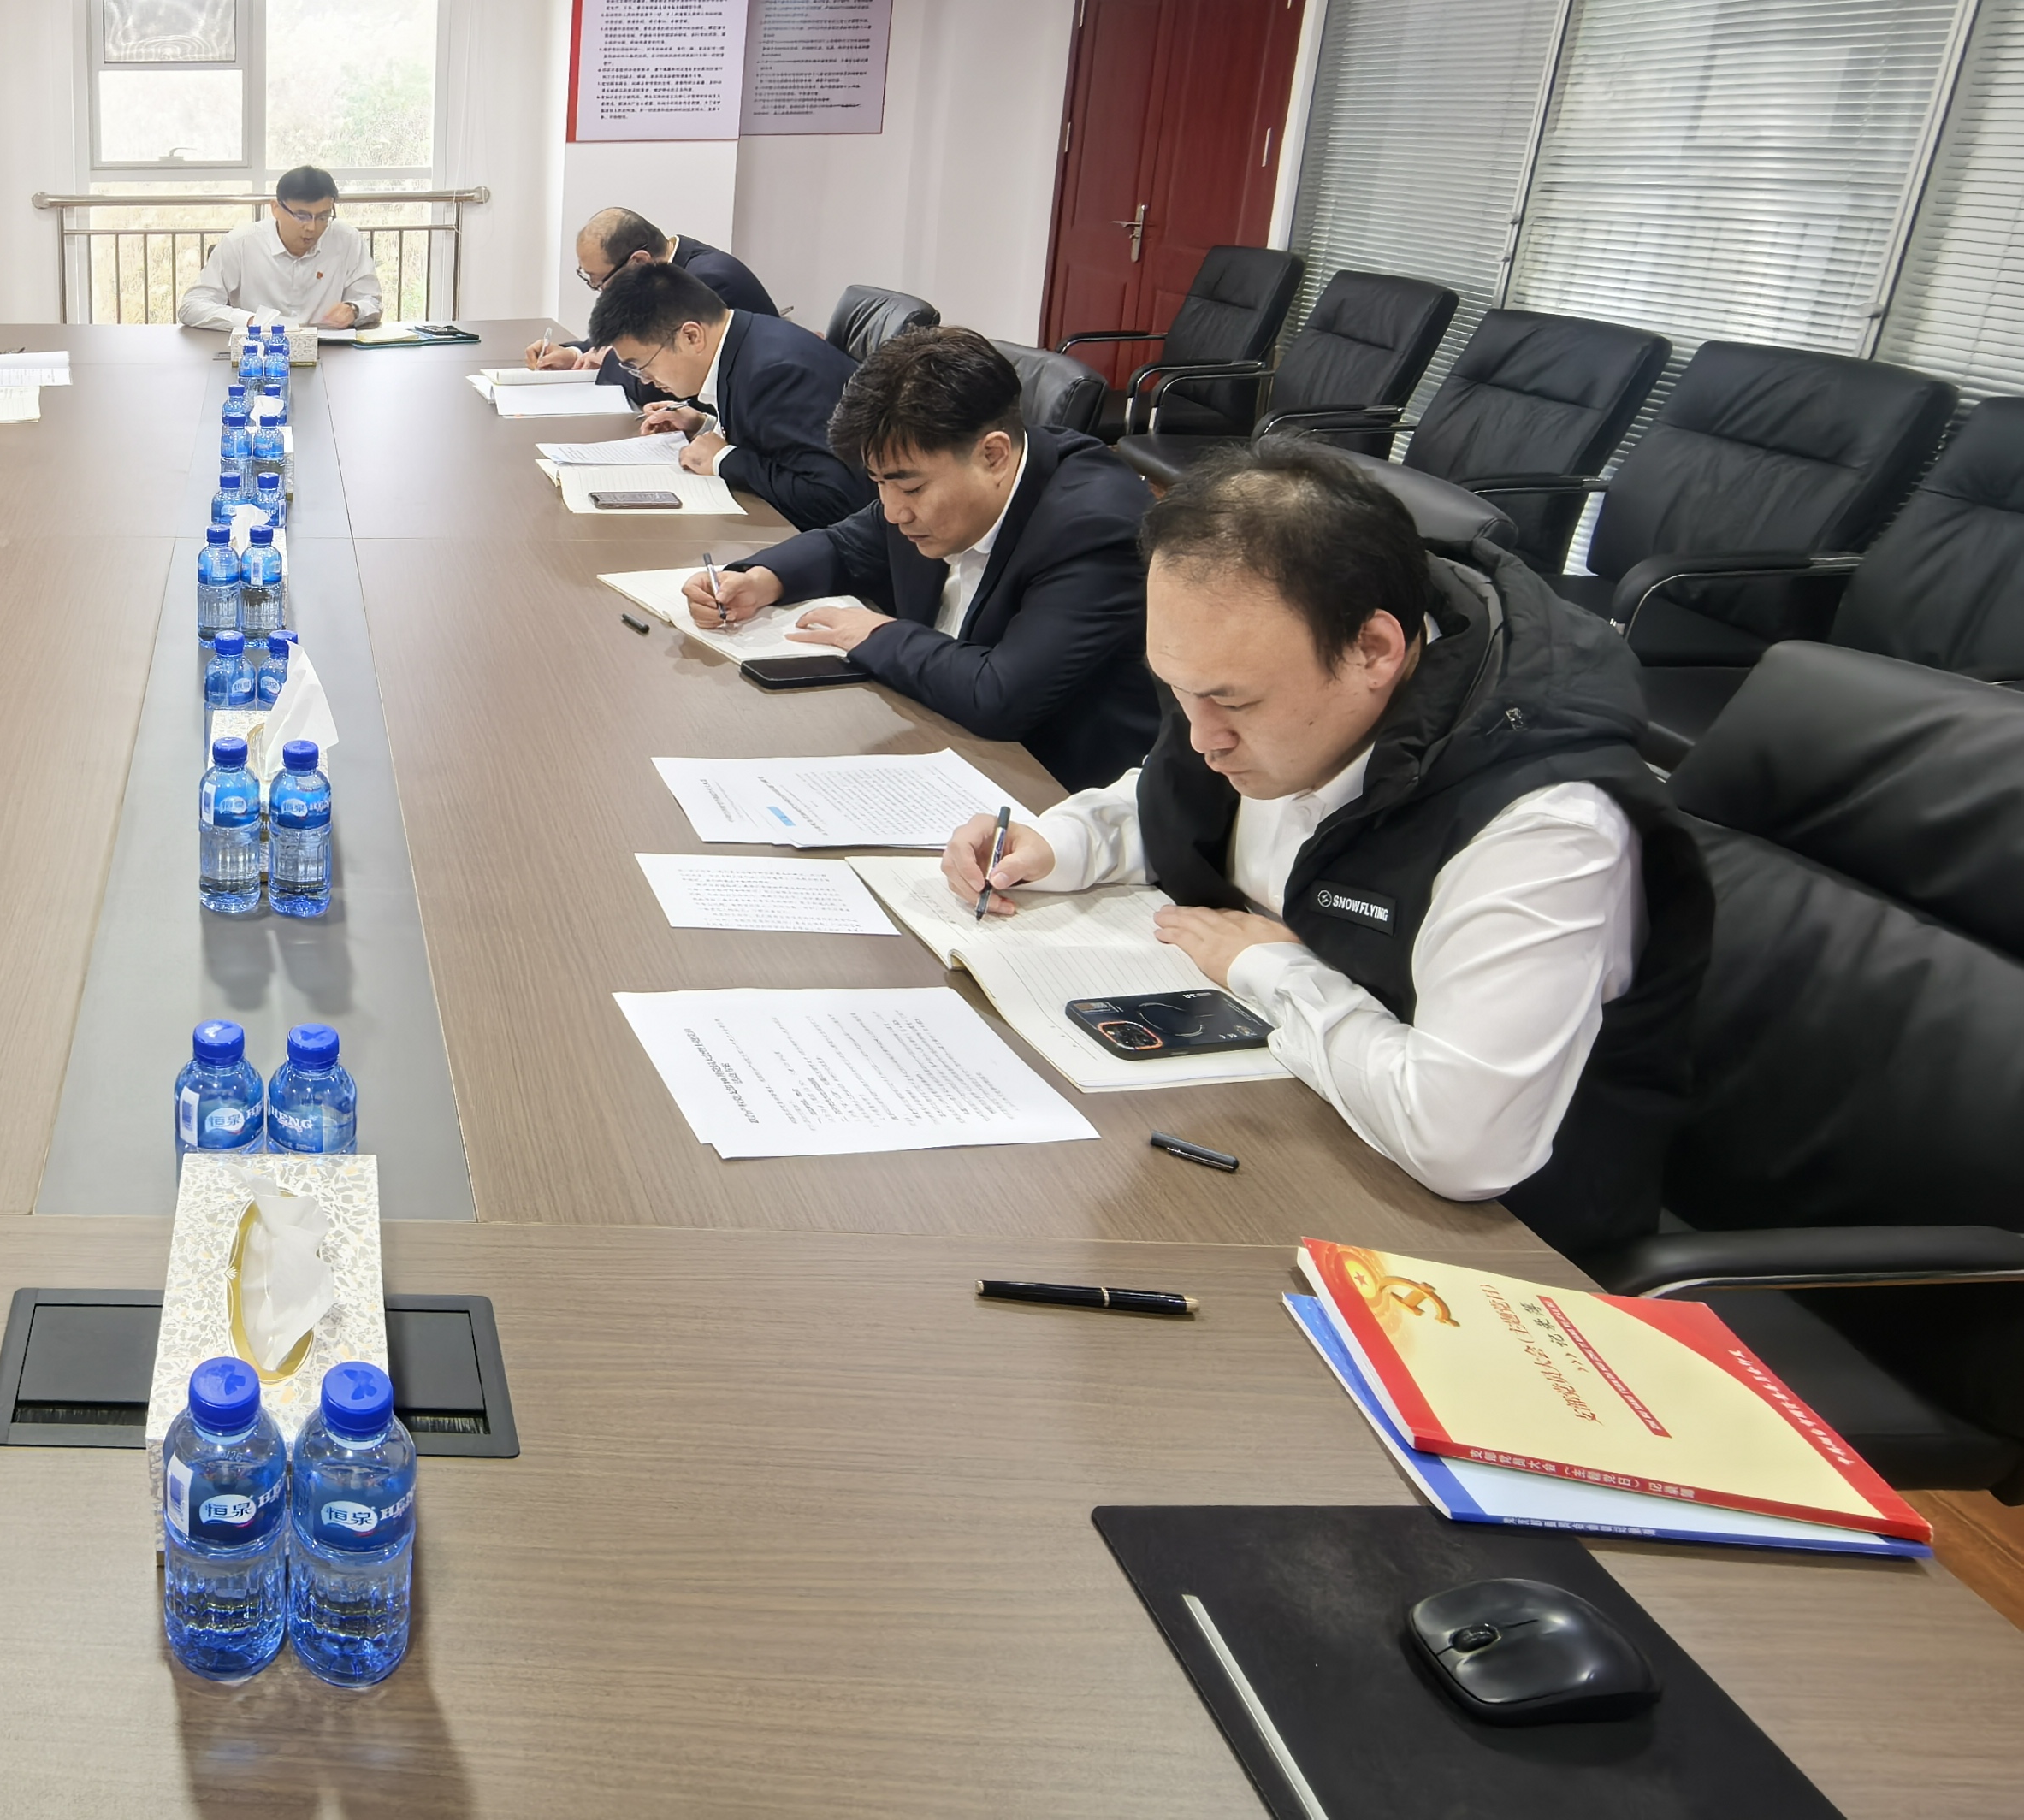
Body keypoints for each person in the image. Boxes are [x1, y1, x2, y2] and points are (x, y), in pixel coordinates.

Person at [939, 440, 1710, 1259]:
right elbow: (1170, 795)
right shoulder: (1264, 689)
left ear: (1374, 651)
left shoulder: (1546, 830)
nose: (1201, 737)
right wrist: (1058, 840)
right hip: (1293, 1124)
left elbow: (1459, 1143)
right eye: (1178, 690)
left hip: (1487, 1252)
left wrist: (1270, 970)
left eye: (1231, 702)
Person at [692, 327, 1157, 790]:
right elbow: (845, 544)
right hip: (940, 737)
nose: (894, 511)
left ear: (994, 456)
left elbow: (999, 695)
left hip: (1048, 786)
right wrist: (760, 578)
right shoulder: (924, 477)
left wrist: (877, 633)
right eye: (879, 483)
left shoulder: (1094, 528)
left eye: (911, 489)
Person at [584, 259, 870, 531]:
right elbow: (778, 441)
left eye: (643, 366)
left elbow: (835, 500)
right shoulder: (746, 340)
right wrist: (704, 424)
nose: (646, 379)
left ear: (691, 336)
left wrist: (724, 459)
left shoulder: (775, 374)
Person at [525, 206, 777, 384]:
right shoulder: (662, 270)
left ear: (639, 261)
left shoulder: (707, 282)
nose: (601, 290)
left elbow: (670, 380)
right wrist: (575, 354)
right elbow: (630, 335)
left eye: (600, 281)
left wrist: (608, 361)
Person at [178, 167, 381, 332]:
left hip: (331, 353)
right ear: (276, 208)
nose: (312, 227)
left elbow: (370, 299)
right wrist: (249, 321)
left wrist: (354, 309)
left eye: (323, 217)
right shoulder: (241, 243)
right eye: (301, 216)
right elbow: (192, 306)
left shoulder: (347, 239)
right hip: (260, 352)